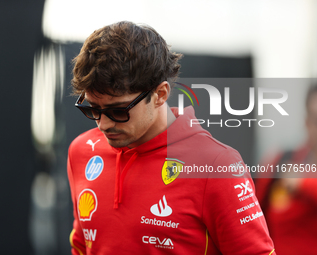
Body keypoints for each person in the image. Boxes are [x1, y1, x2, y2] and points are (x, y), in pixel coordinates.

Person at [67, 21, 276, 255]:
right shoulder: (81, 151)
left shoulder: (217, 165)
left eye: (118, 111)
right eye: (93, 109)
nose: (103, 124)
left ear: (160, 94)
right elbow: (82, 246)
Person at [256, 85, 317, 255]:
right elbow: (254, 215)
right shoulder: (281, 162)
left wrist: (303, 184)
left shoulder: (296, 178)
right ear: (307, 123)